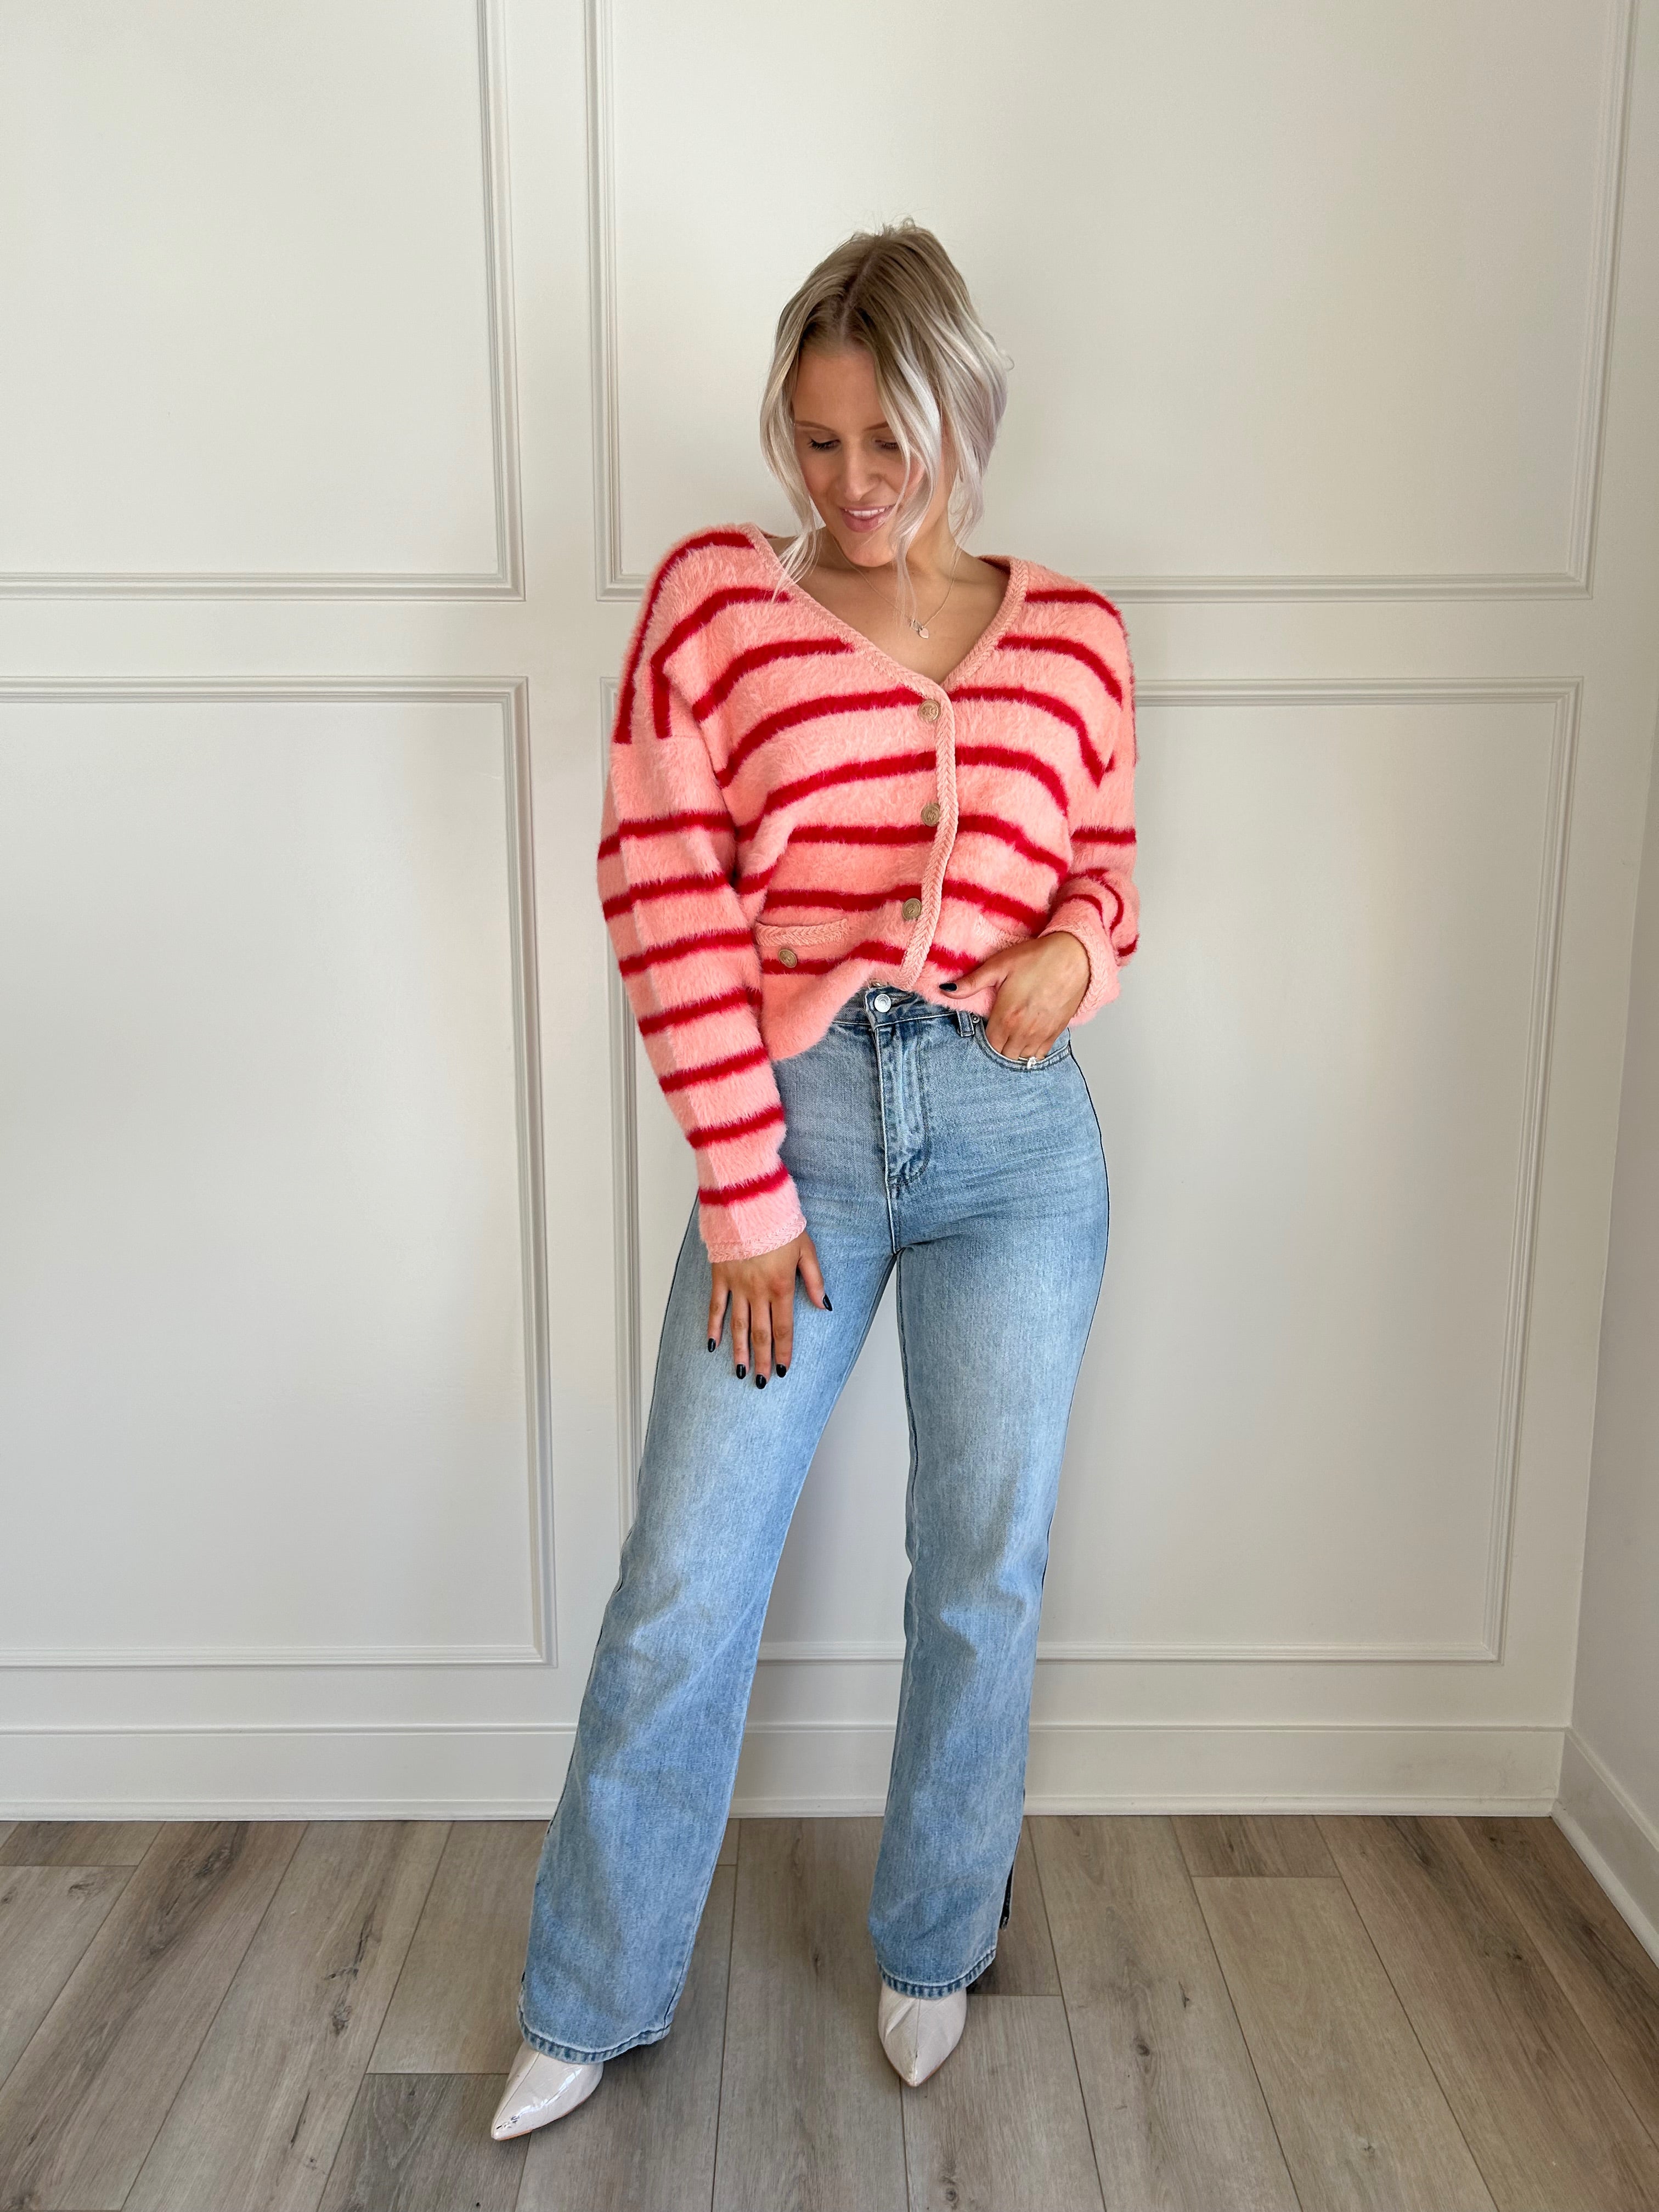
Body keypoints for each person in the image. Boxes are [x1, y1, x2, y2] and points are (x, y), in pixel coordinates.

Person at [491, 218, 1139, 2141]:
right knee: (687, 1574)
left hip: (1020, 1151)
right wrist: (748, 1195)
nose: (854, 487)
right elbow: (659, 893)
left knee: (981, 1572)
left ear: (965, 420)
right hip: (801, 1150)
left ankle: (934, 1944)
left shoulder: (1081, 632)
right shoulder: (715, 609)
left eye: (893, 441)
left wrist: (1080, 957)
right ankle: (589, 1991)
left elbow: (1104, 869)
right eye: (821, 440)